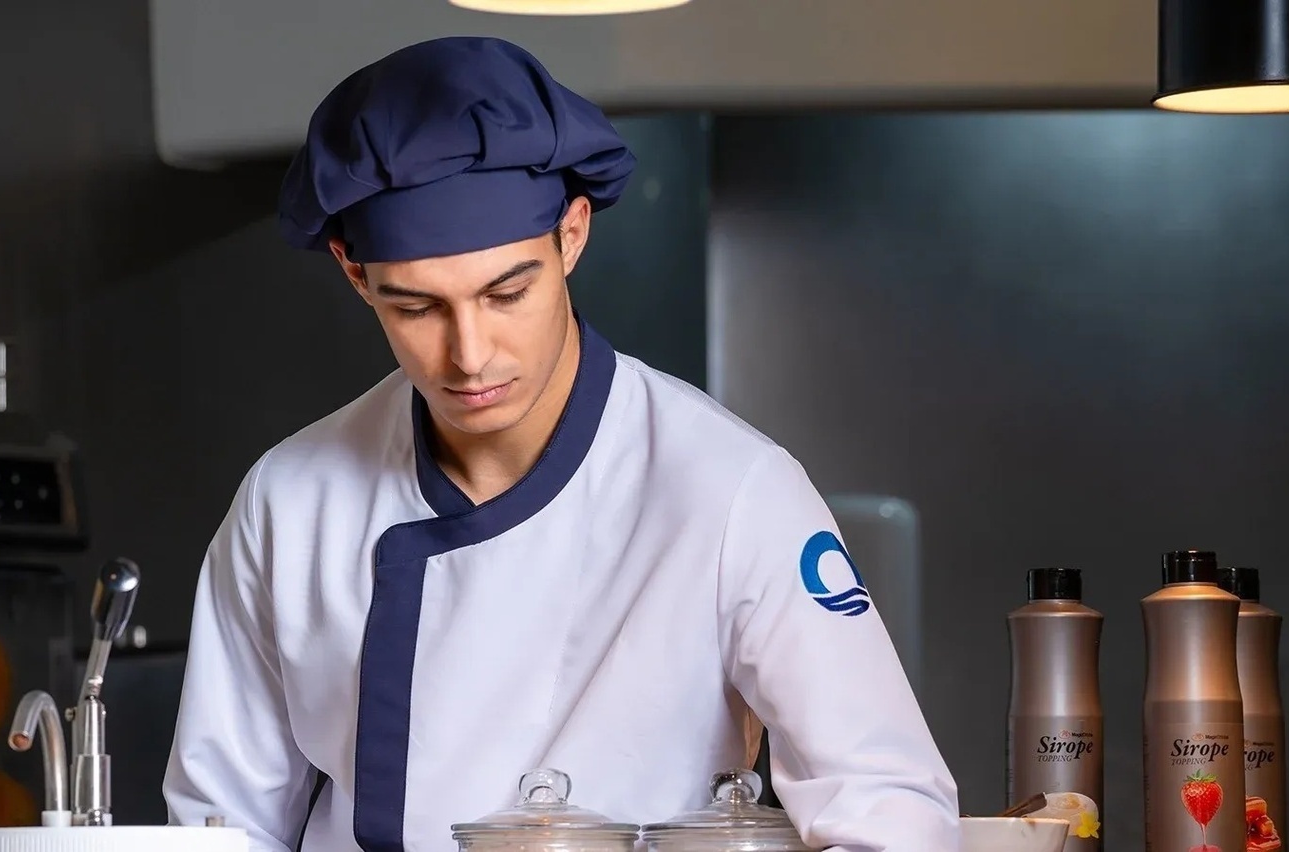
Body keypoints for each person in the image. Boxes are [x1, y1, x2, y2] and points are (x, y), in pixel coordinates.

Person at [163, 35, 958, 852]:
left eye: (507, 292)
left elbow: (889, 805)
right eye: (415, 308)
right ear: (355, 273)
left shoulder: (730, 489)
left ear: (571, 235)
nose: (469, 355)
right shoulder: (289, 502)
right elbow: (222, 828)